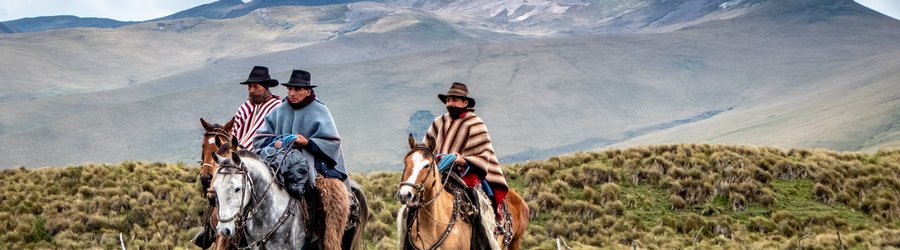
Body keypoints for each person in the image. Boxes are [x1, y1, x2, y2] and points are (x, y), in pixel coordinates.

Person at [252, 69, 349, 250]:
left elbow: (332, 142)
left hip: (313, 162)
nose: (292, 93)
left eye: (297, 89)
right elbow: (260, 138)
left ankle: (329, 240)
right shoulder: (279, 110)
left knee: (331, 197)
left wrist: (307, 142)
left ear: (308, 91)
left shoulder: (320, 110)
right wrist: (276, 142)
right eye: (290, 89)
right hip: (278, 161)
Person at [422, 82, 509, 225]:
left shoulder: (475, 123)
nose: (450, 104)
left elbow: (483, 154)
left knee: (476, 199)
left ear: (465, 102)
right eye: (448, 100)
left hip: (465, 172)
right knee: (417, 197)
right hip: (438, 172)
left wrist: (463, 160)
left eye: (455, 100)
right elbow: (426, 149)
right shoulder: (438, 122)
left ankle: (485, 232)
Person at [233, 66, 282, 150]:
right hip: (236, 152)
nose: (251, 90)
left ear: (266, 88)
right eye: (249, 86)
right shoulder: (245, 107)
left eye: (256, 86)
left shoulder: (277, 107)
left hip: (263, 154)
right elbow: (234, 133)